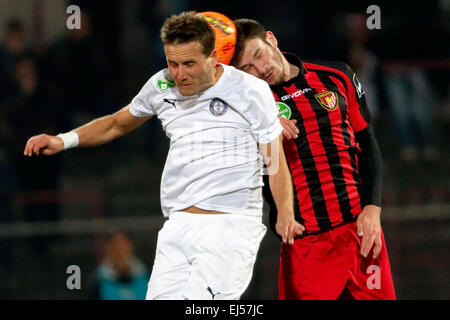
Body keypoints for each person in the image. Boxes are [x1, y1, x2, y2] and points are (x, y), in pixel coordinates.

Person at [23, 11, 304, 300]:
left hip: (228, 227)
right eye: (173, 63)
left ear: (213, 56)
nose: (180, 73)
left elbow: (275, 160)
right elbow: (116, 123)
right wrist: (62, 140)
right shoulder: (161, 85)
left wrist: (285, 212)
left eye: (189, 64)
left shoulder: (250, 90)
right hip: (176, 228)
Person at [230, 18, 396, 300]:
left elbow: (367, 144)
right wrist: (265, 131)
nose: (261, 69)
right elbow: (246, 173)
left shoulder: (336, 75)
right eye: (248, 68)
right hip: (307, 245)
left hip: (360, 233)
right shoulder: (250, 107)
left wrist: (373, 208)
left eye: (259, 55)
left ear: (271, 39)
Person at [88, 230, 149, 300]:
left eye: (122, 244)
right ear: (108, 248)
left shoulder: (148, 278)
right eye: (114, 244)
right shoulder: (96, 282)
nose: (119, 249)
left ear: (130, 246)